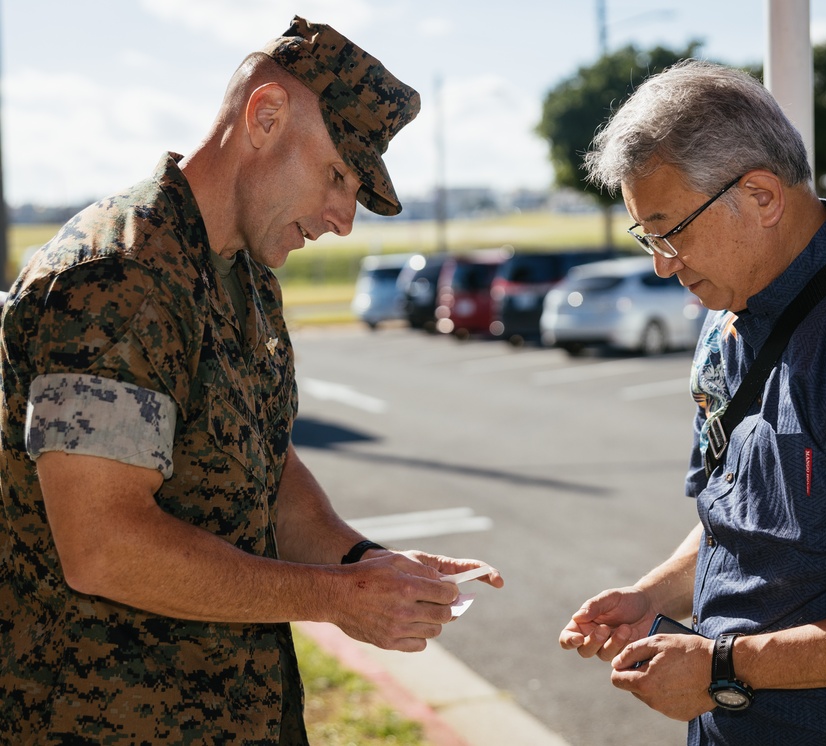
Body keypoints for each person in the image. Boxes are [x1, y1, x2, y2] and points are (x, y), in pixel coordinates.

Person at [0, 16, 501, 744]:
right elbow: (104, 544)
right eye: (336, 175)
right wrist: (336, 598)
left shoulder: (244, 274)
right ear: (264, 116)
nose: (342, 220)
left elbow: (266, 466)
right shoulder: (119, 275)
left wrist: (364, 563)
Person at [559, 59, 826, 743]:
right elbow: (745, 513)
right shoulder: (727, 314)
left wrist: (721, 665)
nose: (661, 264)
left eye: (670, 229)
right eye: (646, 236)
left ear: (762, 196)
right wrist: (653, 595)